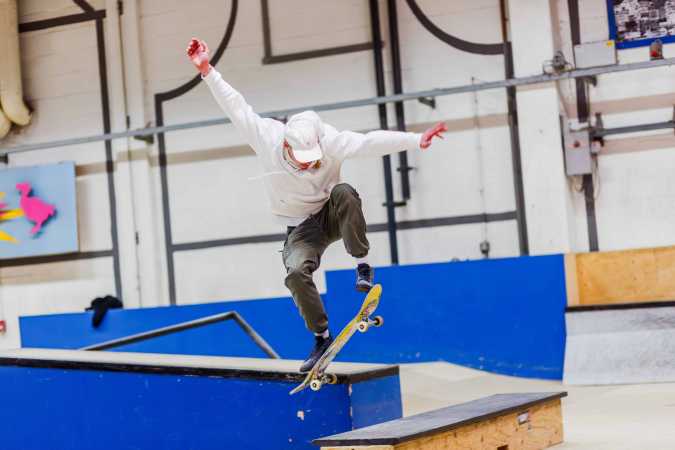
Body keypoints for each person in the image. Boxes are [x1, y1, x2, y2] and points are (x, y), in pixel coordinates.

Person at [187, 38, 447, 372]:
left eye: (315, 159)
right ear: (286, 145)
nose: (311, 165)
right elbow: (235, 106)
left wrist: (415, 140)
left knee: (346, 191)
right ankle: (321, 337)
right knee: (295, 273)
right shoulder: (266, 137)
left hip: (331, 212)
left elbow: (370, 142)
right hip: (300, 228)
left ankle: (363, 266)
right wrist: (206, 70)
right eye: (304, 159)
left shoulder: (331, 141)